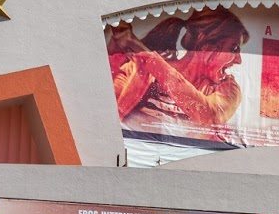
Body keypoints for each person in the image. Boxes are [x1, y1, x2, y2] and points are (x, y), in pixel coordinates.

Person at [107, 8, 249, 137]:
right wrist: (115, 46)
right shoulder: (138, 70)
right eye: (234, 48)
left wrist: (140, 49)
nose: (239, 60)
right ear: (206, 45)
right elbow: (107, 99)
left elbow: (209, 116)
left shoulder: (229, 90)